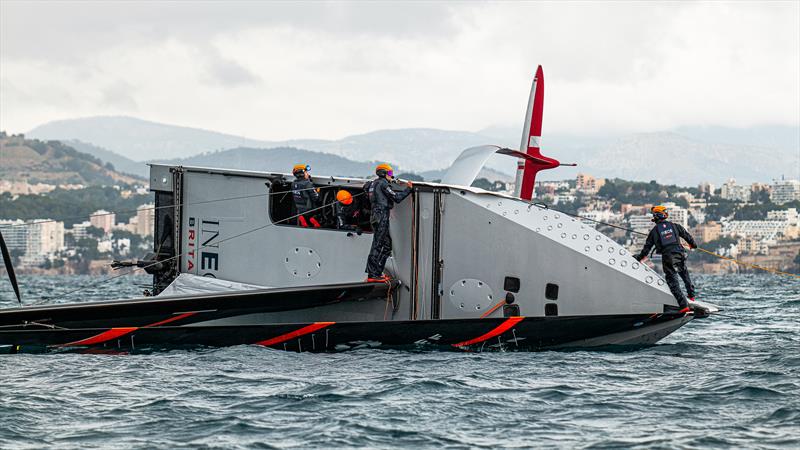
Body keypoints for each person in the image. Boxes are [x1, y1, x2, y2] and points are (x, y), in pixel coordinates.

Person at [634, 205, 697, 313]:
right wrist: (693, 245)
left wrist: (639, 258)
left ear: (655, 217)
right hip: (681, 253)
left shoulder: (654, 231)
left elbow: (646, 249)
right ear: (665, 215)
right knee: (684, 273)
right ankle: (691, 295)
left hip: (668, 257)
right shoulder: (675, 226)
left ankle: (684, 306)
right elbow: (687, 236)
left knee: (672, 281)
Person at [365, 163, 412, 282]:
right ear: (383, 173)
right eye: (390, 173)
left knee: (386, 245)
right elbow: (397, 197)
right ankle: (373, 274)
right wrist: (408, 188)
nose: (392, 176)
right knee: (378, 244)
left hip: (376, 215)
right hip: (381, 216)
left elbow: (367, 188)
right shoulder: (383, 183)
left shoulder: (372, 183)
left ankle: (377, 272)